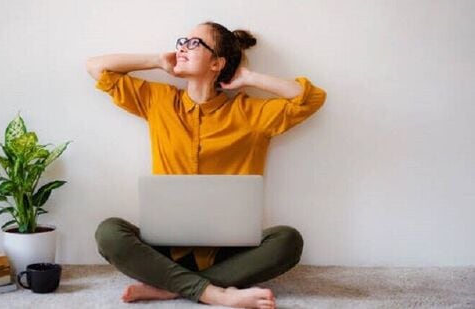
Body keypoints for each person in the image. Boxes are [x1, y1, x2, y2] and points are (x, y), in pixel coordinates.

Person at [86, 21, 326, 309]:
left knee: (288, 240)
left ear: (217, 63)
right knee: (108, 232)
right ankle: (216, 292)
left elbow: (311, 99)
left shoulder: (249, 112)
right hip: (164, 247)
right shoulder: (158, 100)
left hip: (230, 250)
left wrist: (248, 77)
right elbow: (95, 67)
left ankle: (174, 287)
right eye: (182, 41)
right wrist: (156, 61)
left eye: (195, 43)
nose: (183, 47)